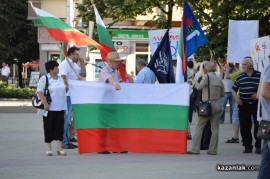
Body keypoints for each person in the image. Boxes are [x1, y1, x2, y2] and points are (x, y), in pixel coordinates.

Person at [187, 62, 224, 155]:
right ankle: (213, 150)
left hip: (207, 106)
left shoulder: (206, 77)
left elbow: (199, 87)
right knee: (215, 129)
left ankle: (195, 149)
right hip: (217, 105)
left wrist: (193, 82)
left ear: (206, 70)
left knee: (199, 127)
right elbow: (222, 94)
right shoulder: (219, 79)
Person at [99, 51, 129, 154]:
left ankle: (116, 147)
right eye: (116, 62)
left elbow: (120, 83)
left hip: (114, 102)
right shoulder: (104, 70)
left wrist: (128, 80)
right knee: (104, 126)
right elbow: (110, 80)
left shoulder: (115, 72)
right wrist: (115, 83)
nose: (118, 64)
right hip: (105, 103)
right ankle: (102, 148)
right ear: (110, 61)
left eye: (118, 62)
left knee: (115, 125)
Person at [36, 60, 68, 156]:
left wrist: (66, 86)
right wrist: (45, 103)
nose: (58, 69)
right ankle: (49, 148)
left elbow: (63, 92)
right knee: (48, 127)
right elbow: (39, 92)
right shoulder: (44, 78)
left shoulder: (60, 79)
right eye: (56, 68)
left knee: (59, 128)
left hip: (61, 107)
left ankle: (59, 148)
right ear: (51, 69)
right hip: (49, 108)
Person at [232, 57, 261, 154]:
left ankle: (259, 146)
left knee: (258, 125)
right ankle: (247, 146)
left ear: (250, 65)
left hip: (256, 104)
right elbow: (233, 89)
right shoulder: (240, 76)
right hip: (243, 105)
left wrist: (258, 94)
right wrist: (237, 99)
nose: (242, 66)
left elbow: (264, 87)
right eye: (242, 64)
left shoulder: (259, 75)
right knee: (244, 126)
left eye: (244, 64)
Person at [59, 46, 86, 149]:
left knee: (71, 119)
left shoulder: (74, 65)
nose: (78, 56)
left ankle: (69, 137)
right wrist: (67, 84)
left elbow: (83, 74)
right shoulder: (65, 64)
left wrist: (82, 65)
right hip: (67, 95)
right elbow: (63, 77)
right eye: (77, 54)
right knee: (66, 119)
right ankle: (64, 141)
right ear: (71, 54)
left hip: (74, 95)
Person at [257, 55, 270, 179]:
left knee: (266, 162)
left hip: (266, 120)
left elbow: (258, 94)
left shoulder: (267, 67)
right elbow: (265, 93)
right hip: (268, 120)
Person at [224, 63, 242, 143]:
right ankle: (247, 137)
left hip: (240, 98)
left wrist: (227, 68)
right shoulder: (239, 72)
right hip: (245, 98)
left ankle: (235, 137)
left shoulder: (240, 73)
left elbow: (227, 76)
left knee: (236, 116)